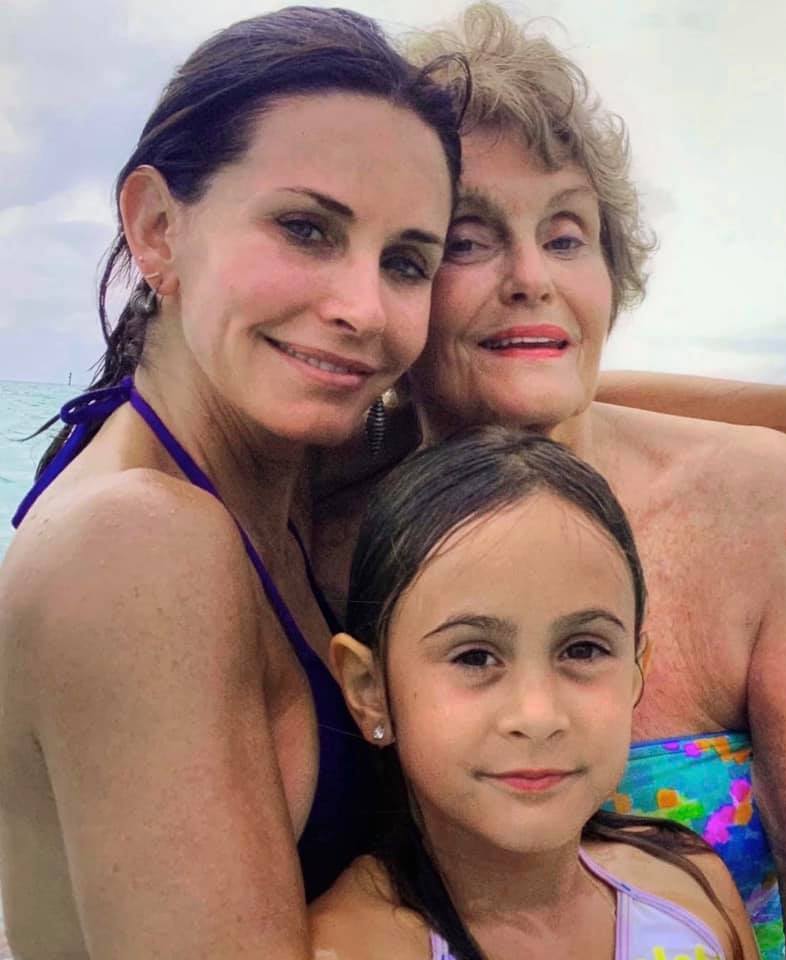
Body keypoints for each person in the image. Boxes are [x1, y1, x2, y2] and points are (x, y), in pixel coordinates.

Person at [310, 5, 786, 958]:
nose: (532, 276)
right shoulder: (322, 525)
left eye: (568, 234)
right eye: (468, 238)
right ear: (398, 276)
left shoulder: (772, 509)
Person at [0, 7, 461, 958]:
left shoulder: (271, 470)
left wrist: (779, 421)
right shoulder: (137, 542)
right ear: (158, 228)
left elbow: (494, 392)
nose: (363, 309)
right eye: (306, 228)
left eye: (406, 262)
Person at [311, 426, 760, 960]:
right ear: (370, 689)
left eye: (583, 649)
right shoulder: (348, 948)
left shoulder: (691, 893)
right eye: (474, 657)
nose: (538, 715)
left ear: (637, 670)